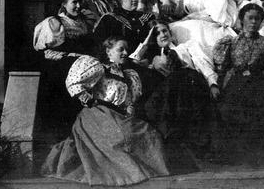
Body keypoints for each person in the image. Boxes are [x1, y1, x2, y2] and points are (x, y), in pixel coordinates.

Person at [40, 37, 170, 186]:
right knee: (119, 137)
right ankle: (121, 174)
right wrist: (88, 99)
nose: (125, 53)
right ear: (108, 51)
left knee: (148, 132)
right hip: (97, 114)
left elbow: (128, 100)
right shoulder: (98, 67)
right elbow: (74, 83)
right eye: (120, 49)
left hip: (119, 115)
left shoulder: (129, 75)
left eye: (126, 49)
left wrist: (128, 107)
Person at [212, 3, 264, 162]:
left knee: (260, 114)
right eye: (250, 18)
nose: (254, 22)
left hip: (257, 84)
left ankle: (256, 157)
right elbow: (223, 68)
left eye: (257, 19)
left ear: (261, 22)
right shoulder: (231, 43)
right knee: (227, 111)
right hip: (235, 84)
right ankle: (232, 156)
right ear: (242, 20)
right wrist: (217, 86)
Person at [142, 20, 215, 148]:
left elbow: (202, 63)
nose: (162, 34)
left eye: (164, 30)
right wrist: (146, 44)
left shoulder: (187, 46)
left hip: (191, 80)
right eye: (157, 33)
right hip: (172, 90)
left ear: (171, 33)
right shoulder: (155, 59)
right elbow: (133, 61)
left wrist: (213, 83)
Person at [33, 0, 95, 132]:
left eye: (80, 2)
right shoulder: (54, 23)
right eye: (74, 2)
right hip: (60, 71)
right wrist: (72, 57)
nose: (78, 6)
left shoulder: (85, 22)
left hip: (82, 69)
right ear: (64, 4)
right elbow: (47, 53)